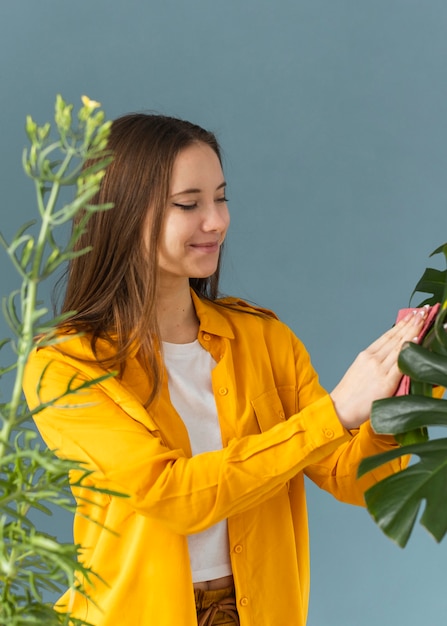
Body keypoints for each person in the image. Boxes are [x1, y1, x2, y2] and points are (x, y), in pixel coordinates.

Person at [23, 114, 428, 626]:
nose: (216, 221)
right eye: (189, 204)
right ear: (121, 213)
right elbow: (170, 496)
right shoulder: (65, 366)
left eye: (221, 197)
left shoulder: (263, 339)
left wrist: (398, 394)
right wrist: (335, 413)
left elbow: (353, 479)